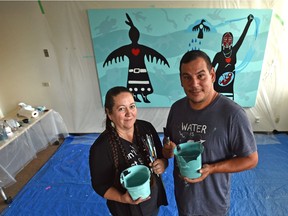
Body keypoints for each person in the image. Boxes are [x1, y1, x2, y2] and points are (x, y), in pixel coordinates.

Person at [162, 50, 258, 216]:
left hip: (213, 206)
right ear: (181, 80)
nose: (194, 84)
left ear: (212, 75)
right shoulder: (176, 109)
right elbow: (169, 145)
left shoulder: (232, 114)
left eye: (201, 76)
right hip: (185, 201)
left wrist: (212, 168)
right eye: (187, 77)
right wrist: (168, 151)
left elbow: (251, 159)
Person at [89, 86, 168, 216]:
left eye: (132, 106)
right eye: (121, 109)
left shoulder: (146, 128)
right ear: (109, 114)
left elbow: (160, 156)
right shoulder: (101, 148)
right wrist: (122, 198)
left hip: (152, 200)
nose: (129, 113)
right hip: (126, 209)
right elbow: (100, 185)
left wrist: (163, 163)